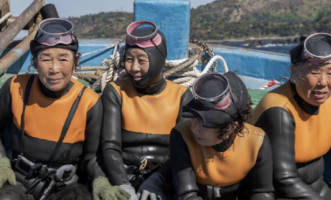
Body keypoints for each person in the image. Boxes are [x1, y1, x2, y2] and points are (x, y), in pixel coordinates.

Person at [0, 15, 130, 200]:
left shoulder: (89, 103)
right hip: (17, 180)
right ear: (35, 61)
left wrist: (101, 182)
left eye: (63, 59)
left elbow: (92, 158)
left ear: (75, 61)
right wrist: (1, 163)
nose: (54, 69)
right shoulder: (15, 88)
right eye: (45, 59)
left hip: (64, 187)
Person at [249, 33, 331, 200]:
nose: (323, 82)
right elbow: (284, 179)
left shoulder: (330, 97)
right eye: (315, 72)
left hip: (318, 187)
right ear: (295, 73)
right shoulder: (279, 110)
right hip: (278, 193)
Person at [100, 20, 192, 199]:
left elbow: (183, 151)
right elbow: (109, 146)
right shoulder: (115, 92)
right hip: (123, 176)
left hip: (165, 178)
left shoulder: (182, 96)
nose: (134, 68)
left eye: (142, 60)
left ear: (159, 58)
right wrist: (123, 186)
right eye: (128, 59)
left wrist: (157, 181)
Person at [170, 72, 275, 200]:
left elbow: (262, 192)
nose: (194, 128)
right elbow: (187, 195)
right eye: (193, 117)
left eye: (204, 123)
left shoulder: (257, 141)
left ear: (231, 128)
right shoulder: (181, 136)